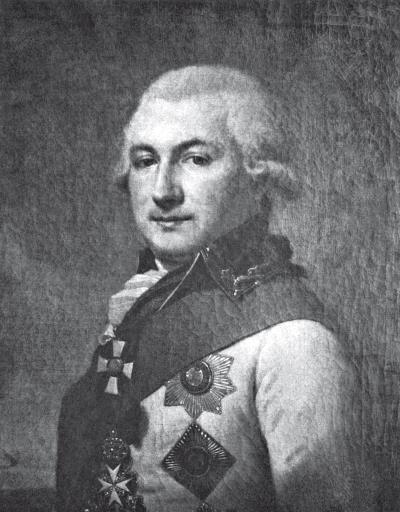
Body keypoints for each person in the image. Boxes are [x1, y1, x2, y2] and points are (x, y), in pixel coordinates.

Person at [56, 66, 372, 512]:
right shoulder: (134, 312)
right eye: (146, 161)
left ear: (259, 179)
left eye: (196, 159)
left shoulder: (295, 344)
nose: (163, 191)